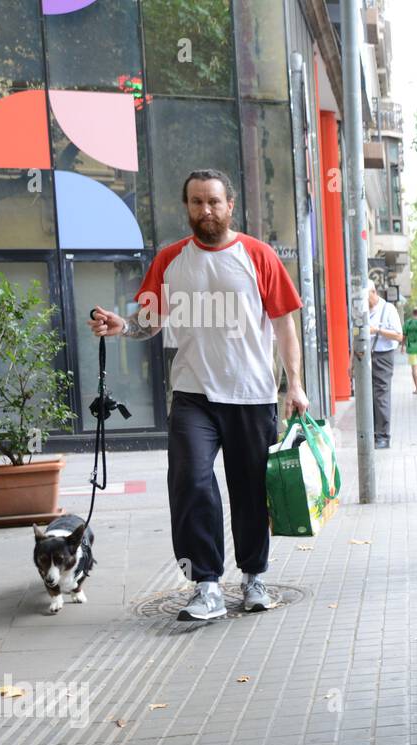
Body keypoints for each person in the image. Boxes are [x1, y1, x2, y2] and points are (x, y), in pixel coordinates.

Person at [88, 168, 306, 621]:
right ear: (186, 207)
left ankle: (253, 576)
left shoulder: (258, 255)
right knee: (190, 481)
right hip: (192, 395)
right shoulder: (170, 260)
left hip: (252, 394)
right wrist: (122, 326)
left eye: (213, 201)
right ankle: (205, 583)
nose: (205, 210)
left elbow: (285, 323)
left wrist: (295, 384)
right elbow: (149, 321)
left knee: (249, 491)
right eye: (196, 202)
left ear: (229, 205)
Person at [362, 280, 403, 448]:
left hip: (383, 355)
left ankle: (383, 436)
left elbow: (399, 336)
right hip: (365, 356)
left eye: (365, 298)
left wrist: (377, 330)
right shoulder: (362, 310)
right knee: (367, 395)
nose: (364, 302)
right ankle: (372, 432)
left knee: (381, 395)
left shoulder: (388, 309)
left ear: (373, 292)